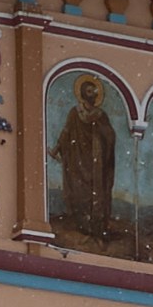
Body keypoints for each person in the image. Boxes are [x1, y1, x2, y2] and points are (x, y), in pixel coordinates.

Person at [52, 72, 118, 242]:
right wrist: (57, 148)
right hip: (78, 158)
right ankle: (82, 223)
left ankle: (96, 225)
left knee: (96, 191)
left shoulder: (101, 115)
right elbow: (66, 132)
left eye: (94, 91)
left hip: (96, 160)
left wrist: (102, 131)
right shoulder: (75, 112)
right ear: (82, 94)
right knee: (79, 191)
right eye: (89, 91)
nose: (93, 94)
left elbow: (110, 135)